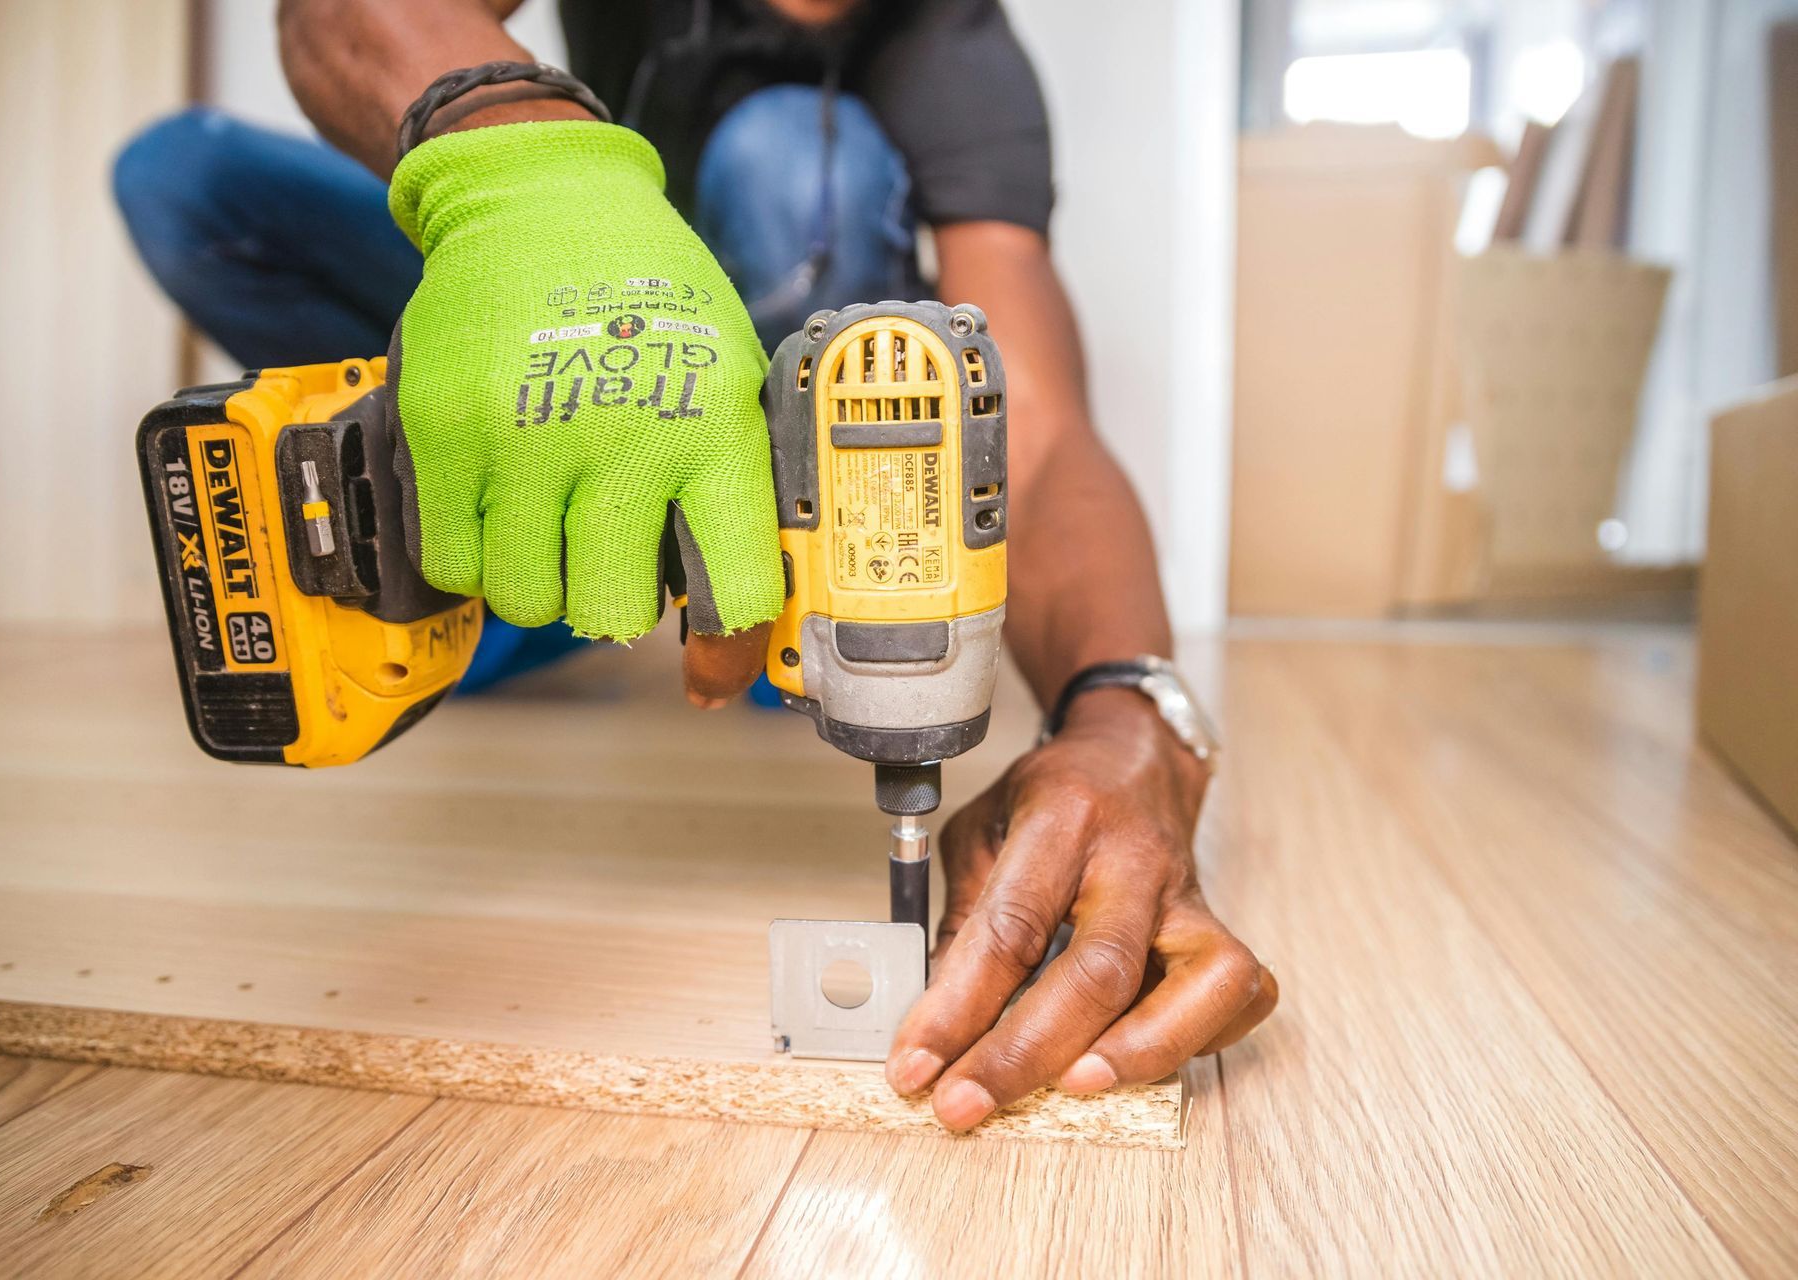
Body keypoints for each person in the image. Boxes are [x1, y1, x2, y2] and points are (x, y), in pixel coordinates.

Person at [112, 0, 1277, 1133]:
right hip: (561, 319)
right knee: (189, 177)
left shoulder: (957, 44)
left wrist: (1129, 714)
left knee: (792, 156)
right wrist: (529, 171)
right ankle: (542, 531)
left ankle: (695, 566)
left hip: (761, 425)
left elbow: (1043, 432)